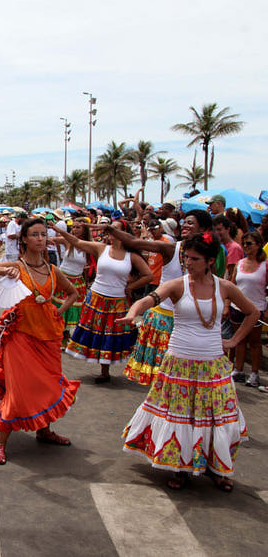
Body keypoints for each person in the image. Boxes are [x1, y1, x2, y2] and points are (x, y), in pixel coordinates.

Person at [119, 233, 255, 492]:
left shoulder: (224, 286)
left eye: (194, 259)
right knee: (181, 417)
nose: (187, 262)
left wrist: (234, 340)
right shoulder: (177, 285)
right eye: (185, 257)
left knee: (215, 418)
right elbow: (149, 299)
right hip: (179, 363)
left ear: (210, 261)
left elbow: (252, 312)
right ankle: (178, 468)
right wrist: (133, 312)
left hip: (213, 365)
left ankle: (216, 469)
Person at [0, 218, 81, 466]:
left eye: (44, 234)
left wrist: (59, 311)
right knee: (18, 389)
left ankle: (43, 430)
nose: (41, 239)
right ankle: (0, 443)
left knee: (48, 386)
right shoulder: (18, 266)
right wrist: (5, 270)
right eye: (35, 234)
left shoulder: (53, 271)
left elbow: (74, 293)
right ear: (23, 239)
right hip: (20, 337)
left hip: (49, 338)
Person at [105, 210, 211, 385]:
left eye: (191, 223)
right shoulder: (170, 248)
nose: (185, 225)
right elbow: (133, 241)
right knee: (163, 379)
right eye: (185, 222)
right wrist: (109, 228)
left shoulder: (211, 257)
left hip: (191, 321)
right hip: (164, 318)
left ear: (204, 229)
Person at [56, 220, 153, 383]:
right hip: (95, 298)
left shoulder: (132, 256)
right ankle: (103, 371)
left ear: (123, 233)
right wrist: (58, 230)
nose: (110, 231)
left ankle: (104, 371)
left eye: (114, 229)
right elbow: (77, 242)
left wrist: (130, 287)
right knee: (95, 333)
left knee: (109, 335)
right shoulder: (101, 248)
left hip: (117, 302)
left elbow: (149, 275)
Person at [226, 231, 266, 387]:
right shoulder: (240, 263)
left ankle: (254, 374)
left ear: (259, 245)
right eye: (244, 243)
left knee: (255, 342)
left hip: (257, 308)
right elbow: (232, 284)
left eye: (249, 244)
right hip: (237, 308)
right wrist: (228, 304)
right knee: (239, 340)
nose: (245, 247)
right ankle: (239, 370)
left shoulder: (265, 265)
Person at [51, 219, 89, 346]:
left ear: (85, 230)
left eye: (79, 227)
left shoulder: (89, 245)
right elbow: (53, 240)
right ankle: (56, 336)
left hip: (78, 281)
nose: (75, 229)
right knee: (59, 307)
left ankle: (67, 338)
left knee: (73, 310)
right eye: (73, 227)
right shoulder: (67, 241)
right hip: (62, 279)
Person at [212, 215, 243, 279]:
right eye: (214, 230)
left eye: (219, 229)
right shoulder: (216, 245)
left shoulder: (234, 248)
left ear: (228, 229)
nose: (216, 233)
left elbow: (231, 275)